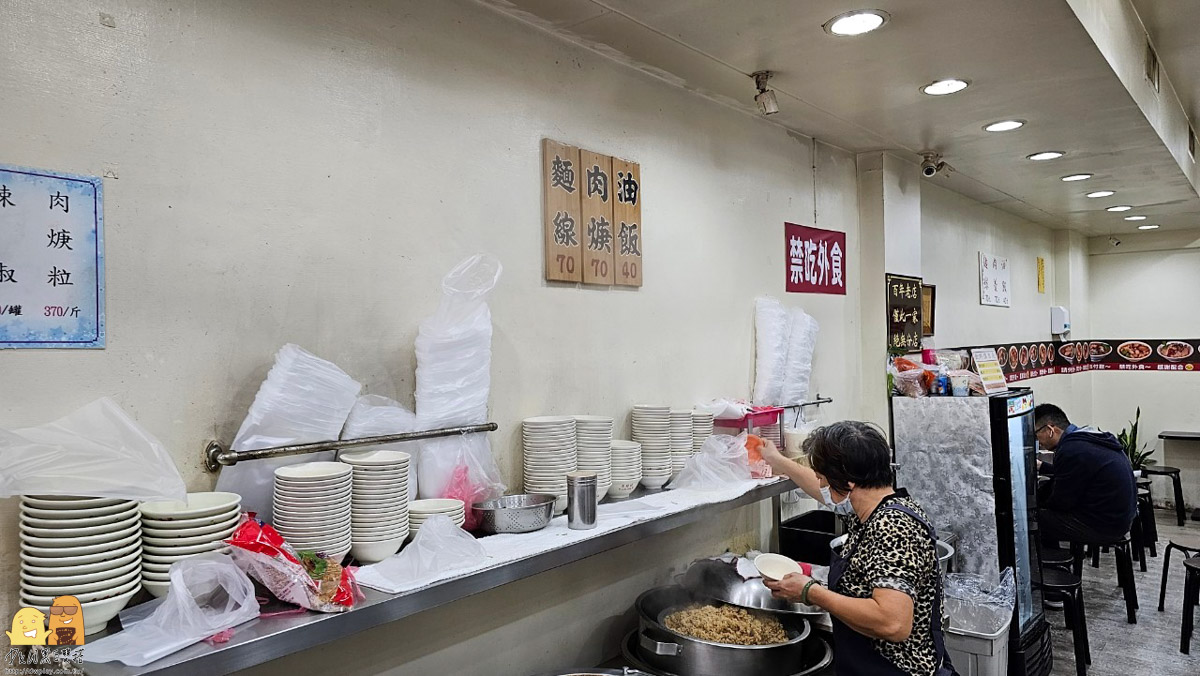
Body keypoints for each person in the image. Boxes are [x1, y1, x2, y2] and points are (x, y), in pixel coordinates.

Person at [759, 421, 956, 676]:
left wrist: (811, 592)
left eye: (823, 479)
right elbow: (821, 489)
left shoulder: (893, 528)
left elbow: (893, 623)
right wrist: (777, 460)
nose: (821, 487)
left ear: (848, 482)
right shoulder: (875, 508)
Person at [1034, 403, 1136, 547]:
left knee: (1034, 518)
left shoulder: (1071, 450)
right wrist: (1041, 467)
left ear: (1050, 430)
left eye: (1036, 435)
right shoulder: (1085, 437)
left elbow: (1061, 502)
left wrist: (1036, 501)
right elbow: (1070, 474)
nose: (1038, 442)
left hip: (1104, 527)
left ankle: (1053, 566)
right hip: (1120, 519)